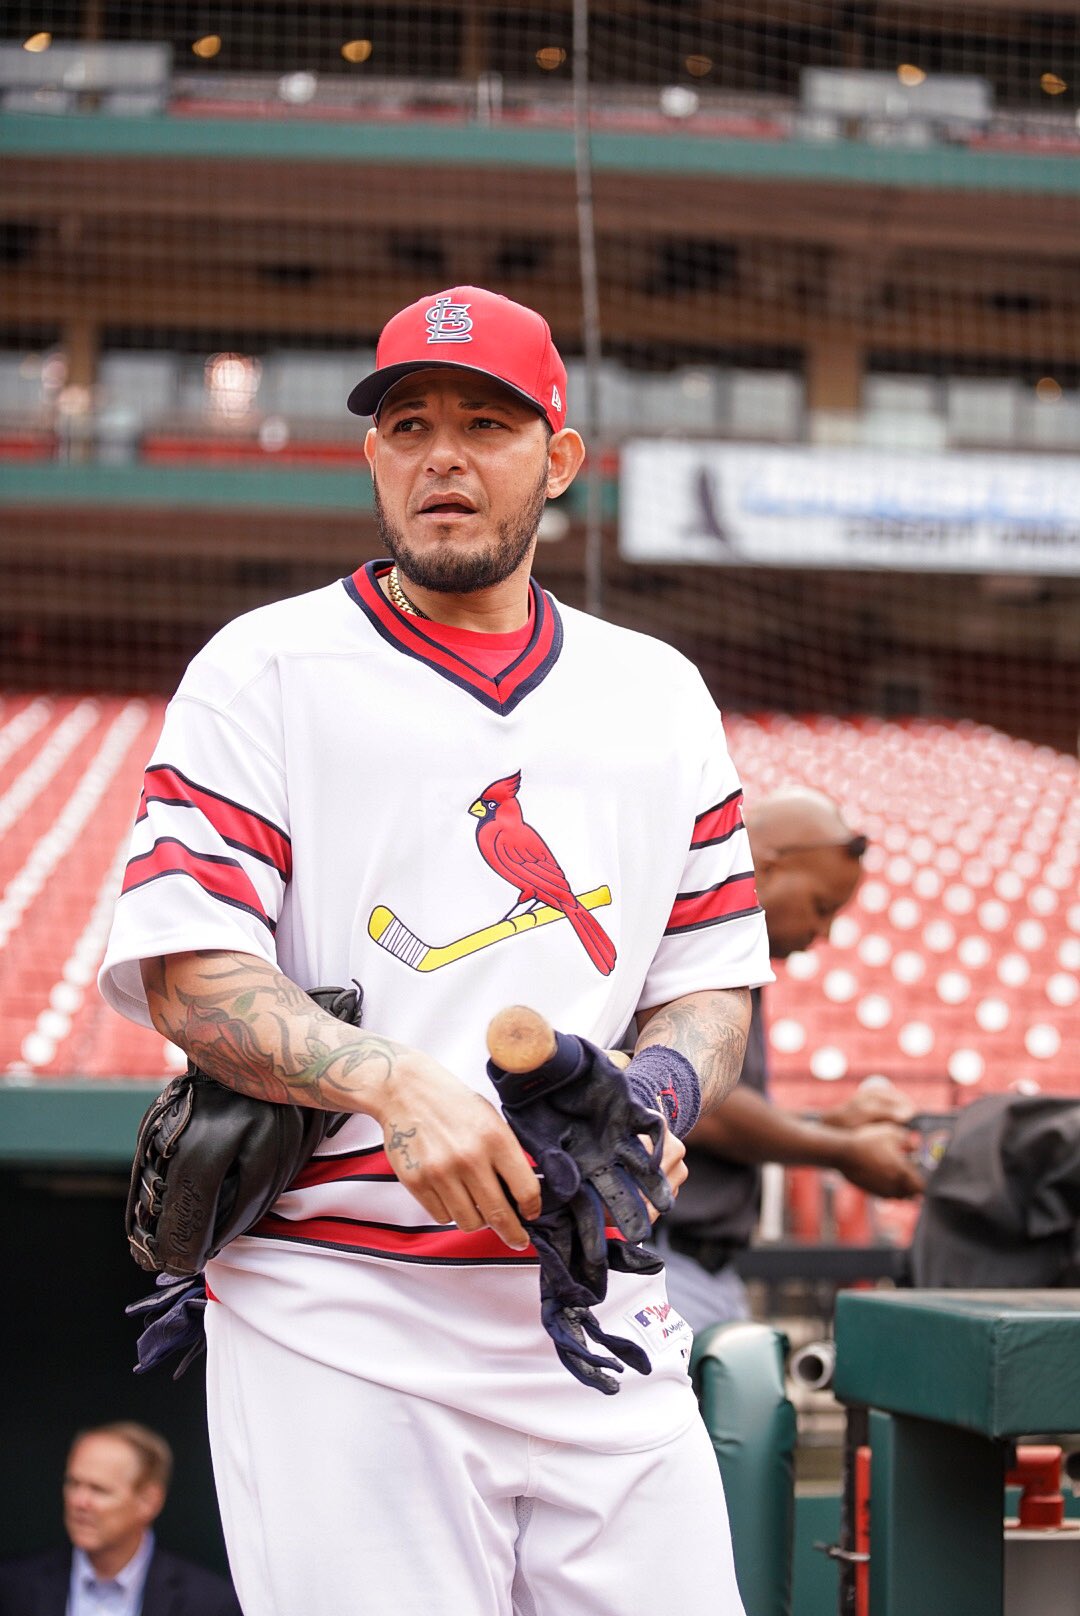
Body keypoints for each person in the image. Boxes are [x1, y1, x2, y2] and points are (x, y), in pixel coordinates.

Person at [98, 286, 774, 1615]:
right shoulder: (266, 668)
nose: (442, 455)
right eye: (407, 424)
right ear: (372, 455)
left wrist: (658, 1100)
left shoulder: (659, 692)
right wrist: (396, 1082)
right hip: (334, 1300)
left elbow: (707, 975)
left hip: (591, 1295)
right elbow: (190, 970)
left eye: (485, 422)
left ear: (559, 459)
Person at [654, 785, 926, 1332]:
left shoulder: (739, 959)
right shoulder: (683, 939)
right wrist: (842, 1149)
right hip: (663, 1261)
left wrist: (826, 1124)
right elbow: (697, 1104)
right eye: (821, 908)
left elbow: (729, 1105)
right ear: (766, 867)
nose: (823, 932)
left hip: (709, 1269)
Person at [0, 1422, 241, 1616]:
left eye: (99, 1489)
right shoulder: (13, 1588)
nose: (79, 1501)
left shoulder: (210, 1603)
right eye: (73, 1483)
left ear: (148, 1502)